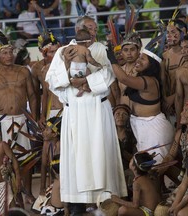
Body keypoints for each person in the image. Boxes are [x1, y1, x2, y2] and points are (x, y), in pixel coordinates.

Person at [45, 15, 127, 214]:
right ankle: (77, 204)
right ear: (78, 29)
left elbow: (109, 73)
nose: (93, 32)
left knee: (101, 153)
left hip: (98, 109)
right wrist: (67, 70)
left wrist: (84, 83)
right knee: (76, 156)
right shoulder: (63, 51)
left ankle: (106, 202)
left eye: (94, 29)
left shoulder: (101, 49)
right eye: (89, 28)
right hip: (76, 112)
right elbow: (52, 79)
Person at [0, 25, 37, 204]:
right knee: (6, 161)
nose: (9, 56)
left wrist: (34, 120)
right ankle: (15, 195)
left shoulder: (23, 71)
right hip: (1, 122)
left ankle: (28, 193)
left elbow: (33, 96)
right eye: (4, 53)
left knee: (26, 158)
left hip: (22, 120)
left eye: (11, 52)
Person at [107, 36, 174, 163]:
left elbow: (124, 79)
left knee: (156, 168)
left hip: (153, 128)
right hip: (140, 125)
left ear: (152, 65)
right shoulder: (144, 77)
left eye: (142, 59)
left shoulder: (148, 81)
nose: (138, 61)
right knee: (145, 168)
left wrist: (111, 59)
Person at [112, 152, 161, 216]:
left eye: (131, 161)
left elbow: (135, 205)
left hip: (148, 212)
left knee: (122, 210)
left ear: (134, 167)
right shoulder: (147, 176)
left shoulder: (137, 182)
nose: (130, 160)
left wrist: (118, 200)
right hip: (152, 208)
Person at [161, 19, 187, 126]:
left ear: (183, 33)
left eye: (173, 32)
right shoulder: (164, 56)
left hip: (186, 100)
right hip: (167, 104)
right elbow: (162, 81)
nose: (169, 36)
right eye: (167, 32)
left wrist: (173, 98)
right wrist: (165, 100)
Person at [62, 29, 103, 97]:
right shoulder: (86, 50)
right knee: (88, 74)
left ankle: (80, 88)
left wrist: (63, 51)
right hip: (82, 68)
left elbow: (63, 51)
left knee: (72, 80)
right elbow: (90, 60)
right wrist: (98, 64)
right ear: (87, 42)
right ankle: (85, 86)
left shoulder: (71, 47)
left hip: (73, 69)